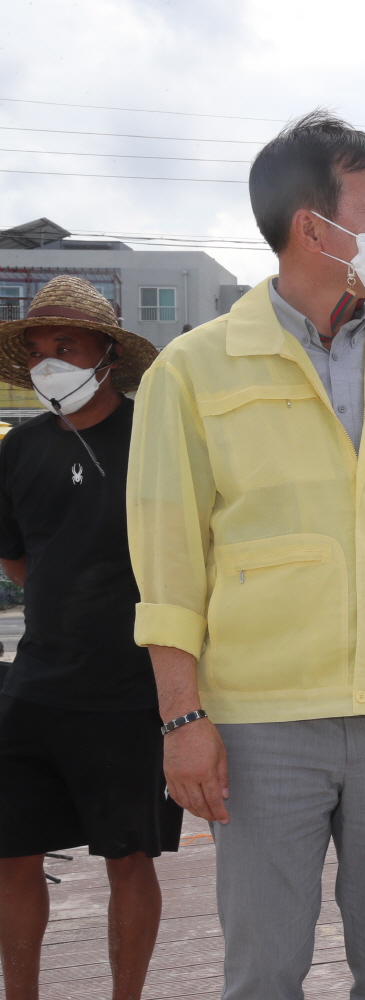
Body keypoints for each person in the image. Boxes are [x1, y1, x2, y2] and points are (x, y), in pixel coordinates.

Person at [125, 111, 365, 1000]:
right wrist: (183, 721)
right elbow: (168, 566)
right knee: (265, 970)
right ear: (313, 225)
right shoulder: (196, 371)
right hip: (263, 727)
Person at [0, 276, 176, 1000]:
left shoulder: (157, 439)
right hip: (36, 682)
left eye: (65, 346)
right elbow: (17, 556)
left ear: (106, 352)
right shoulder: (18, 448)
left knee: (130, 858)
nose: (50, 364)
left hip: (132, 691)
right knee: (11, 853)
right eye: (38, 351)